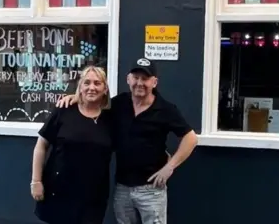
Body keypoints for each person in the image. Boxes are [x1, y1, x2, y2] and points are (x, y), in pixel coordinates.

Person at [57, 58, 198, 224]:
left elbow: (191, 138)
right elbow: (94, 102)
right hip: (122, 187)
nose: (140, 83)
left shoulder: (165, 109)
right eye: (136, 78)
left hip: (151, 190)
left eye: (145, 79)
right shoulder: (118, 104)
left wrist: (170, 167)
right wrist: (76, 96)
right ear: (128, 79)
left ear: (154, 82)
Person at [31, 66, 113, 224]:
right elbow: (41, 145)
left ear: (105, 89)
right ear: (80, 87)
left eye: (97, 83)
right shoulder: (64, 110)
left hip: (93, 197)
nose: (92, 87)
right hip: (59, 191)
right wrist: (36, 181)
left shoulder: (111, 118)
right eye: (86, 83)